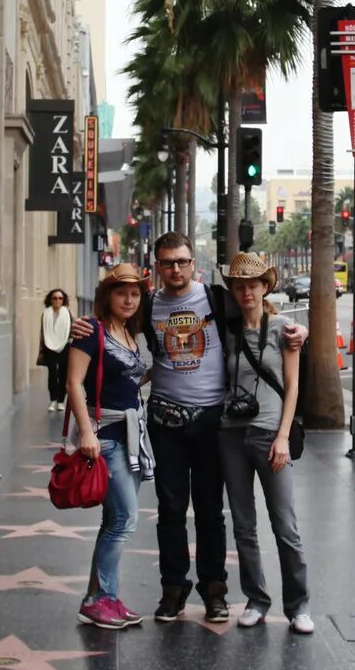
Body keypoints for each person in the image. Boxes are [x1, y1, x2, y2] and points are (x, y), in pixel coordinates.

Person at [79, 231, 304, 623]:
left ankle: (214, 590)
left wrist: (300, 332)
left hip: (212, 420)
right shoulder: (148, 306)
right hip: (164, 419)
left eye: (182, 261)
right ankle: (173, 590)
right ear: (158, 267)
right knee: (170, 508)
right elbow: (112, 328)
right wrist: (76, 330)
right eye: (167, 263)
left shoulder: (216, 299)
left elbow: (261, 315)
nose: (176, 269)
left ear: (192, 265)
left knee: (210, 510)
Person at [217, 253, 312, 634]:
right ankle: (256, 599)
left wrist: (284, 437)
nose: (245, 292)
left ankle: (298, 605)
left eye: (252, 285)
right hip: (230, 434)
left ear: (265, 287)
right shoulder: (227, 329)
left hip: (271, 434)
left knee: (285, 525)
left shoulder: (285, 329)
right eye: (238, 286)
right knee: (243, 525)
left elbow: (292, 388)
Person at [65, 264, 153, 631]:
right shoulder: (91, 332)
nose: (129, 300)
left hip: (132, 435)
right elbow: (74, 383)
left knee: (114, 520)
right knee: (124, 520)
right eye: (121, 293)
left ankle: (104, 598)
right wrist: (86, 433)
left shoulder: (130, 334)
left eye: (135, 294)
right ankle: (99, 599)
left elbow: (130, 378)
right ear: (107, 296)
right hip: (107, 435)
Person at [39, 288, 74, 410]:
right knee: (52, 373)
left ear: (63, 300)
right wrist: (42, 350)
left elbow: (73, 329)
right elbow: (42, 333)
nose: (57, 300)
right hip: (49, 347)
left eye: (60, 298)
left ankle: (60, 401)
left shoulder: (68, 313)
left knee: (63, 374)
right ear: (50, 299)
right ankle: (53, 400)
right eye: (54, 298)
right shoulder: (46, 313)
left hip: (64, 347)